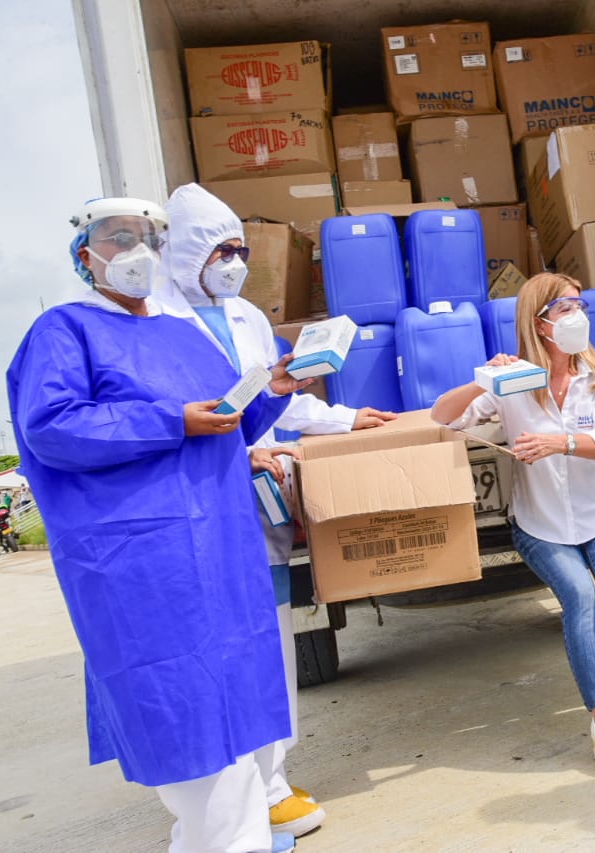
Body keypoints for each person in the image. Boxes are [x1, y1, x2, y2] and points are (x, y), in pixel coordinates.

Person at [7, 197, 312, 852]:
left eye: (147, 236)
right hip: (146, 565)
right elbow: (53, 427)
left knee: (239, 738)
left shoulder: (183, 333)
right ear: (85, 255)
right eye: (118, 238)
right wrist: (170, 420)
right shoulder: (65, 332)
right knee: (197, 741)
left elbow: (224, 423)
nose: (135, 251)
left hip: (224, 555)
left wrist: (269, 393)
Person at [156, 183, 398, 839]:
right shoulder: (150, 322)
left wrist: (343, 417)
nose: (234, 261)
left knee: (271, 645)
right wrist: (237, 454)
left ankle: (271, 780)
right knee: (209, 655)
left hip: (257, 510)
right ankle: (216, 802)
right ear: (181, 251)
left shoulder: (247, 318)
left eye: (239, 248)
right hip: (197, 512)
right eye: (219, 248)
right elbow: (172, 425)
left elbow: (273, 397)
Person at [430, 273, 595, 777]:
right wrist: (482, 379)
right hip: (541, 526)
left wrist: (556, 444)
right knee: (580, 597)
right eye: (565, 308)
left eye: (581, 305)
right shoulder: (513, 382)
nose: (577, 316)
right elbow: (442, 418)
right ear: (538, 322)